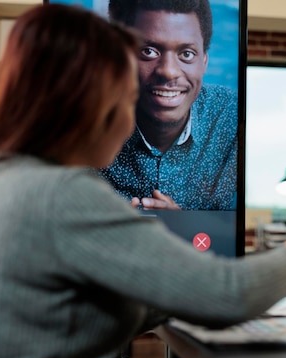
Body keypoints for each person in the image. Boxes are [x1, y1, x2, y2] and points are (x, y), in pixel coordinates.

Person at [0, 4, 286, 358]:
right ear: (84, 102)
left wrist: (169, 290)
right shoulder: (63, 195)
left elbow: (80, 311)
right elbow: (227, 294)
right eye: (127, 97)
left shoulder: (3, 186)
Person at [100, 0, 237, 210]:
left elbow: (229, 231)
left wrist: (180, 226)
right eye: (148, 51)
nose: (169, 71)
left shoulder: (232, 117)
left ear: (204, 62)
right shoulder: (85, 120)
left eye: (186, 54)